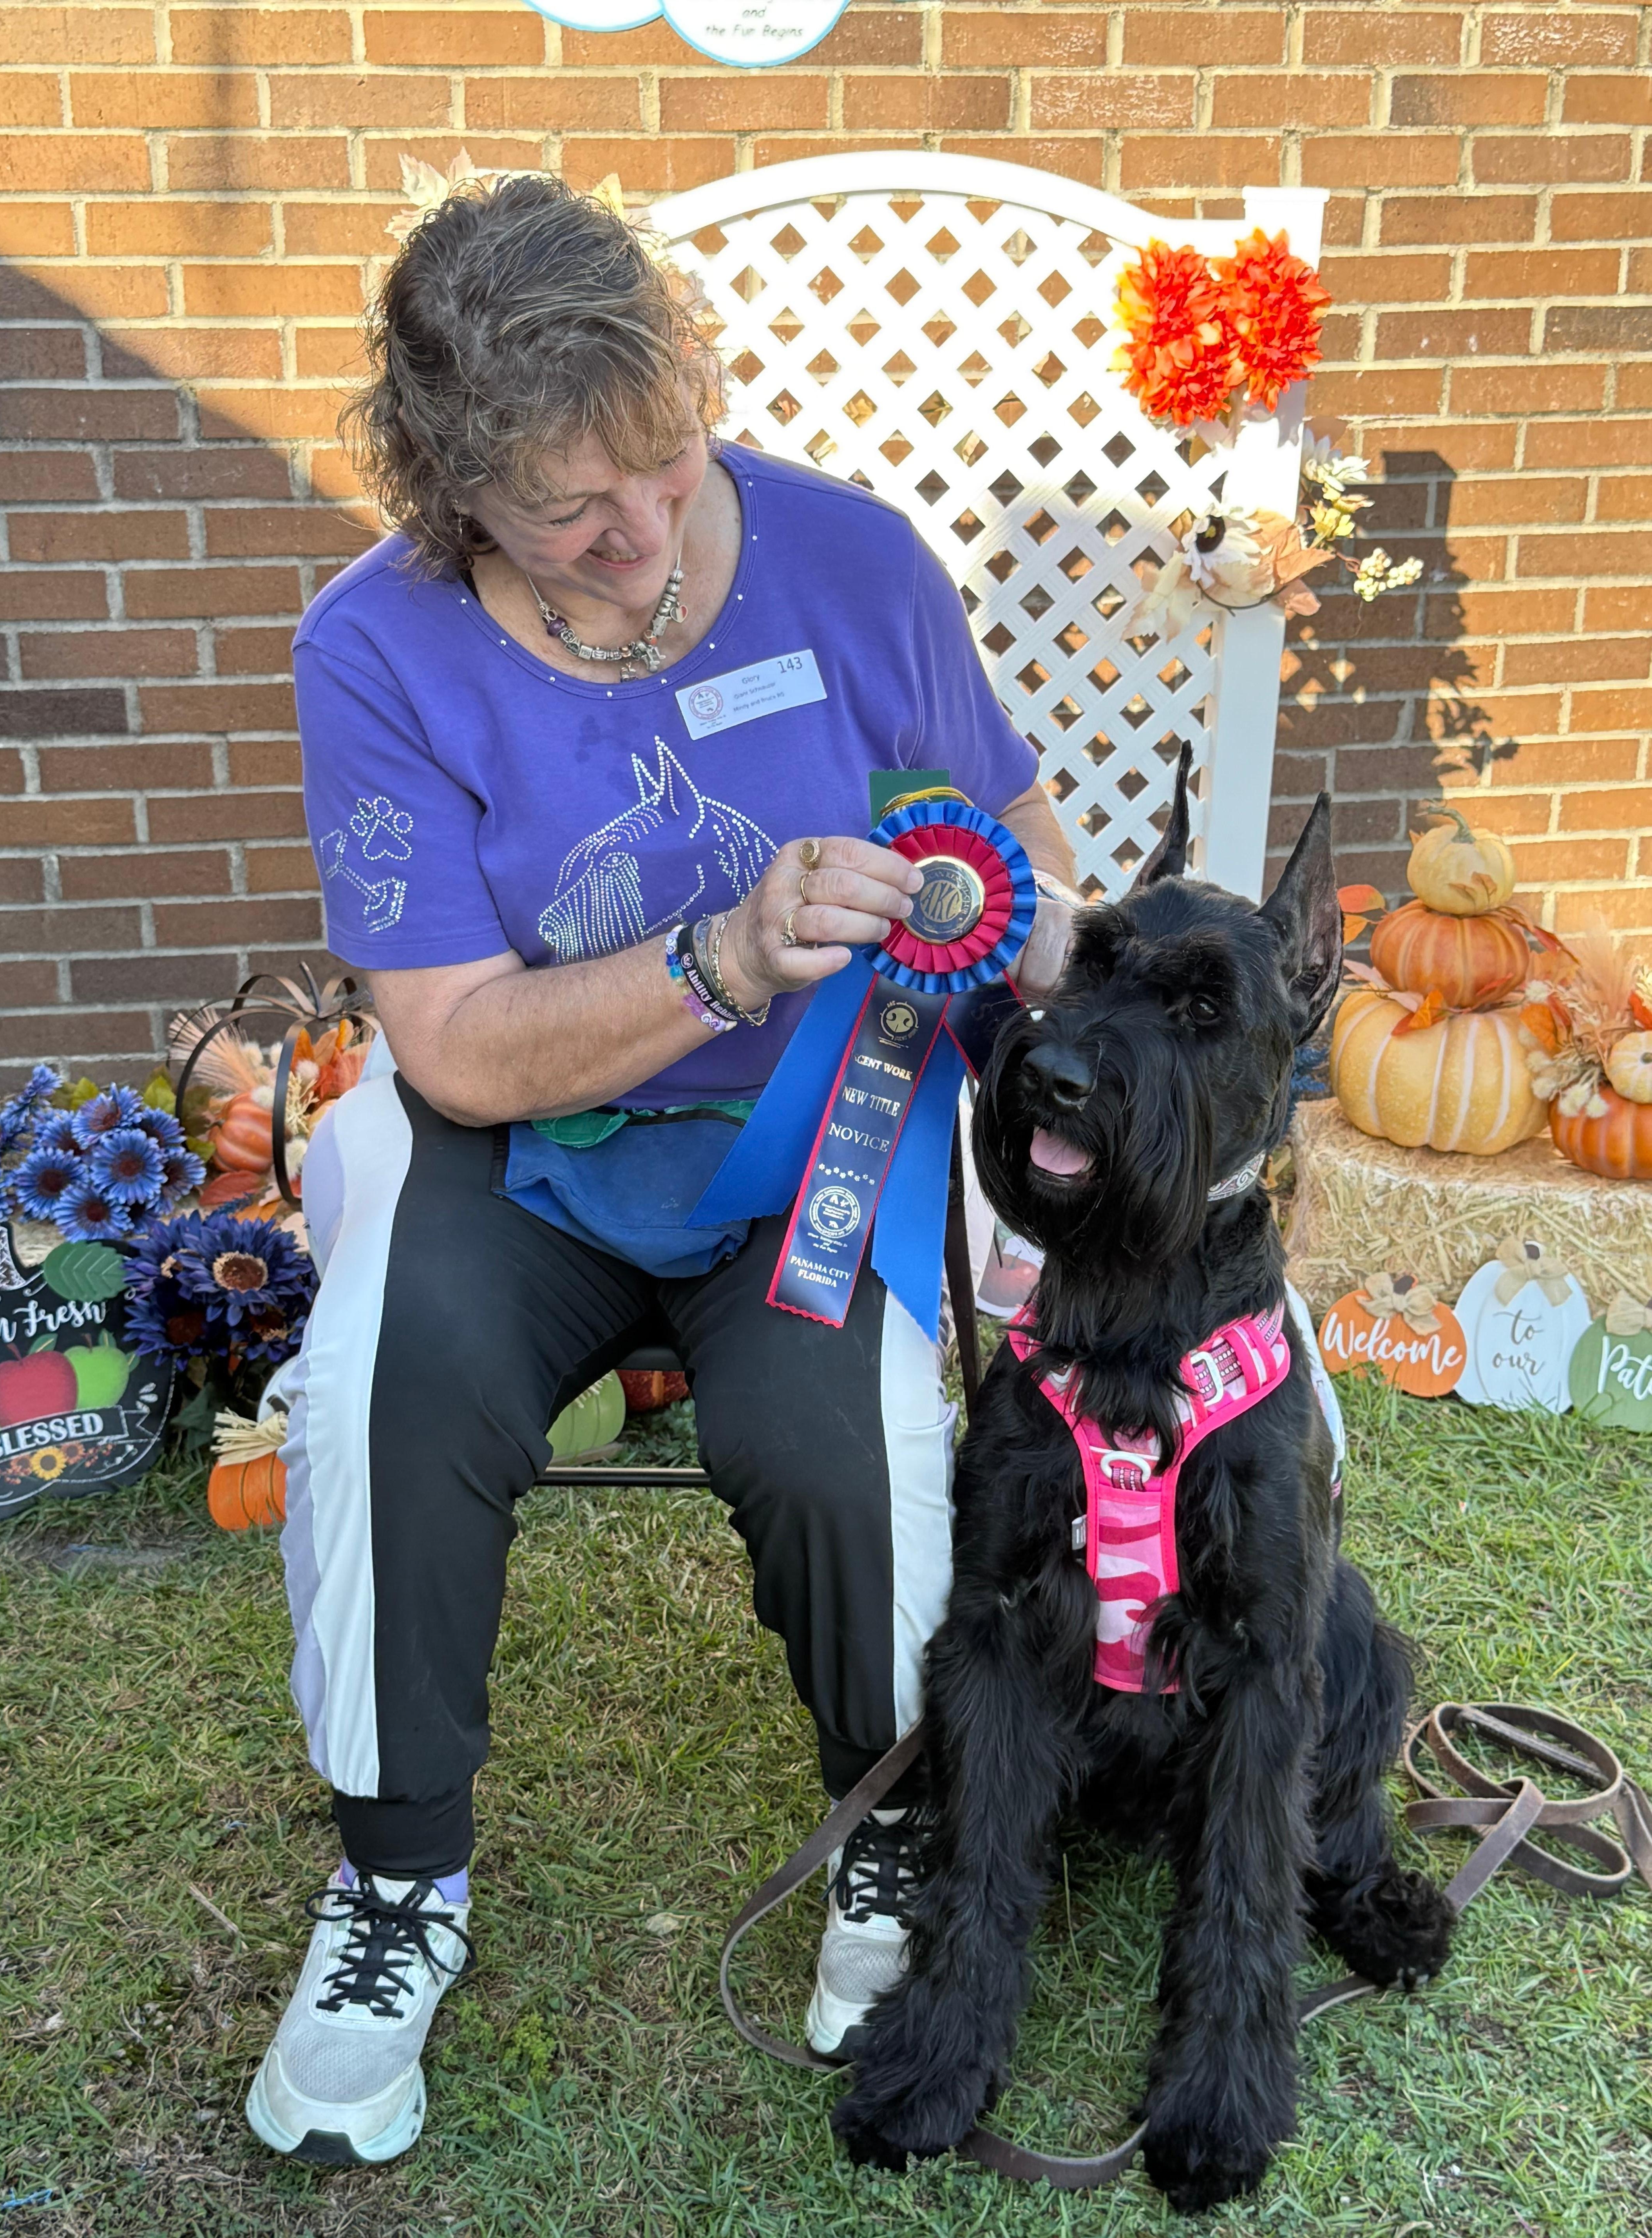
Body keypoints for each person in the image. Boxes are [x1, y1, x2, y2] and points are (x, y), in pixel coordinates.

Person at [245, 172, 1080, 2167]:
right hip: (514, 1148)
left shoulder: (854, 560)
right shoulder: (370, 649)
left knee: (847, 1436)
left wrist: (1059, 942)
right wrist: (720, 949)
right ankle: (397, 1881)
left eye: (668, 464)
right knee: (386, 1384)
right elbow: (446, 1041)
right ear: (453, 498)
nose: (641, 534)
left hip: (814, 1130)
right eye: (567, 510)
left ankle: (886, 1830)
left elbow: (1019, 829)